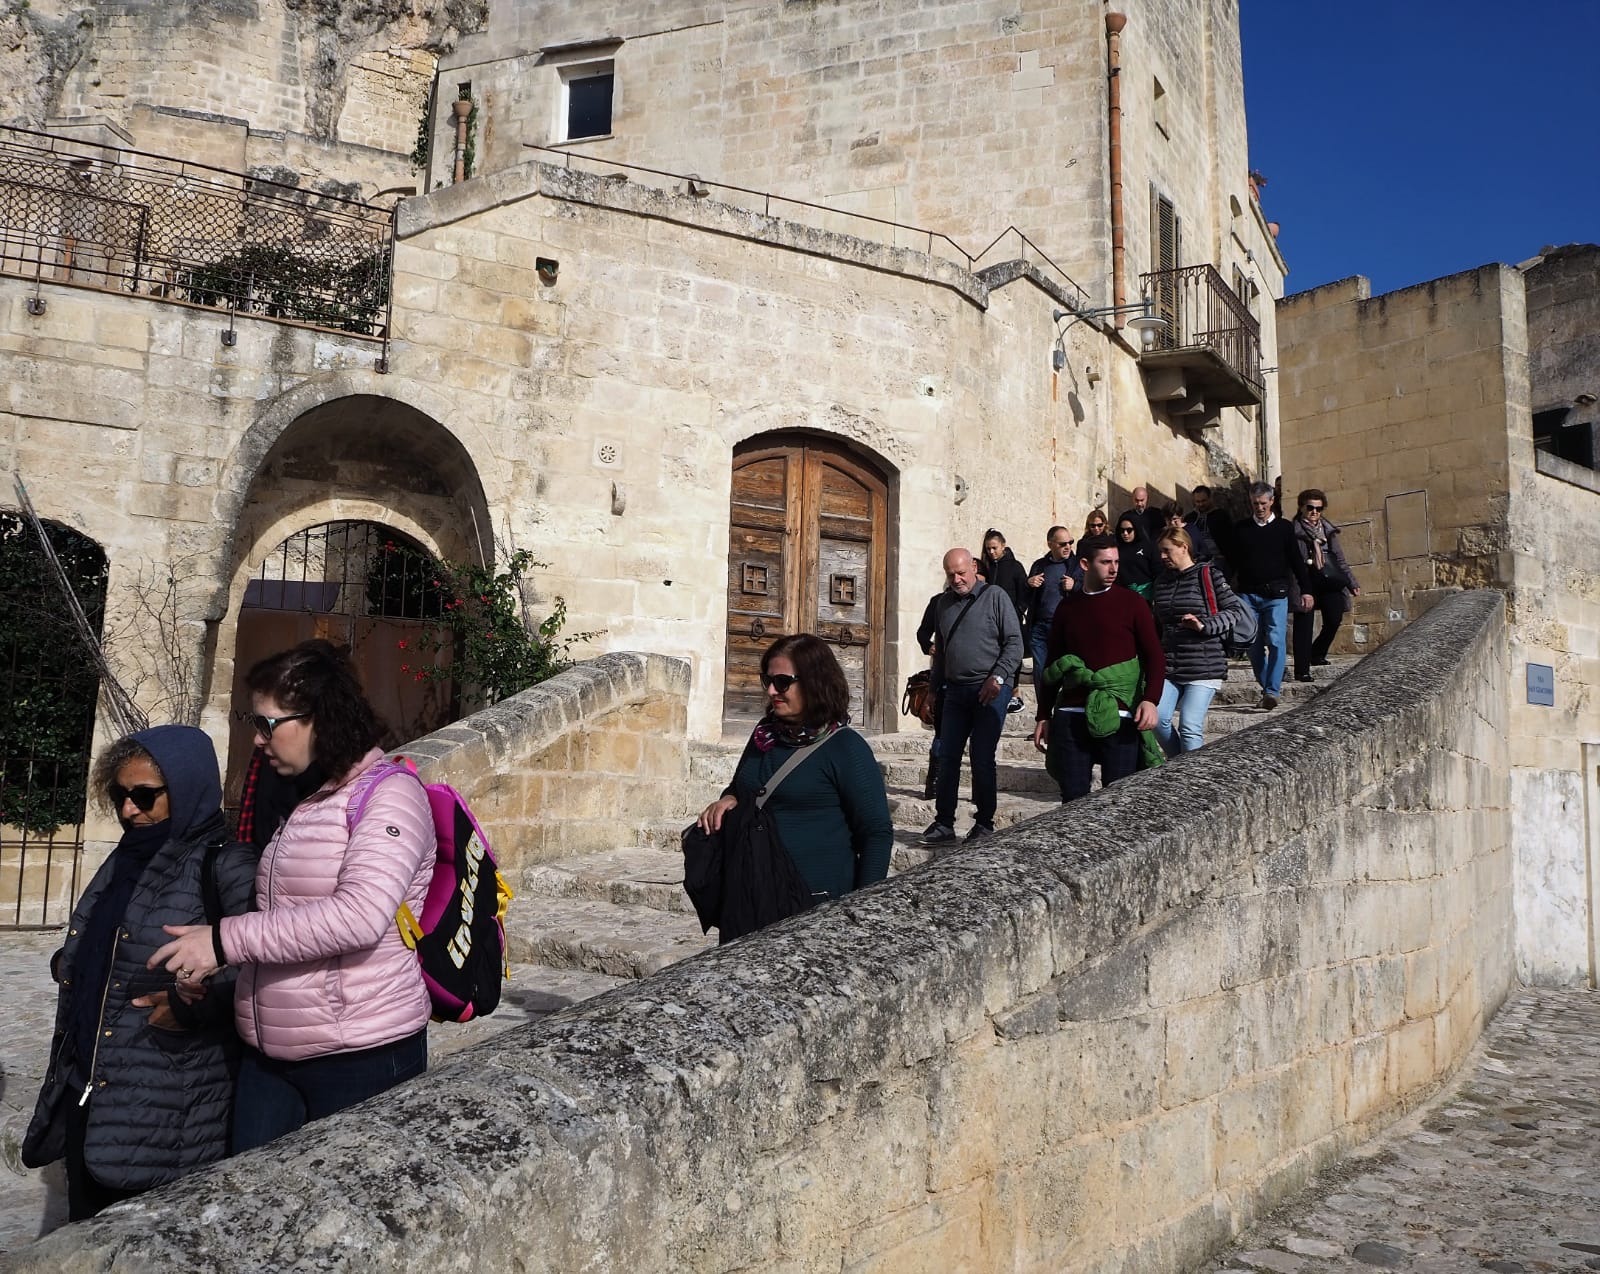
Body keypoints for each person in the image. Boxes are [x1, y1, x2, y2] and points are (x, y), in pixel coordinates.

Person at [148, 639, 435, 1153]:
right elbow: (284, 916)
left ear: (318, 717)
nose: (257, 740)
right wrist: (220, 971)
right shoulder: (305, 798)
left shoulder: (389, 796)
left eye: (267, 724)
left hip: (358, 1054)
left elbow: (359, 917)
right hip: (271, 1052)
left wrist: (222, 943)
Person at [23, 726, 256, 1220]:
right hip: (92, 1092)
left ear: (187, 788)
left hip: (168, 1113)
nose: (130, 811)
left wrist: (194, 1009)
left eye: (146, 796)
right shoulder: (125, 859)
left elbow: (259, 971)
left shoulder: (225, 866)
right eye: (121, 796)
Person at [697, 633, 892, 910]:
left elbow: (877, 833)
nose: (771, 691)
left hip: (811, 904)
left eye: (783, 682)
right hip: (750, 896)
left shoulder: (846, 748)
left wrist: (859, 908)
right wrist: (729, 799)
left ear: (815, 682)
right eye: (768, 681)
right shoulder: (764, 735)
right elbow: (741, 786)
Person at [1033, 534, 1166, 800]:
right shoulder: (1067, 608)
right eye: (1106, 562)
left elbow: (1154, 656)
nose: (1114, 568)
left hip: (1120, 714)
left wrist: (1150, 700)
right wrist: (1043, 715)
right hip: (1071, 713)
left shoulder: (1133, 604)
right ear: (1085, 564)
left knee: (1118, 800)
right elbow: (1053, 664)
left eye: (1116, 561)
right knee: (1072, 799)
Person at [921, 547, 1024, 844]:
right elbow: (941, 653)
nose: (956, 579)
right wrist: (931, 691)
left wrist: (999, 677)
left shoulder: (995, 597)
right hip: (954, 691)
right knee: (947, 755)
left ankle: (984, 822)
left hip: (990, 690)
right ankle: (944, 822)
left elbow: (1014, 643)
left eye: (961, 572)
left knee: (981, 756)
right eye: (950, 574)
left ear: (974, 566)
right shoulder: (942, 605)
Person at [1151, 527, 1245, 753]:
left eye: (1167, 551)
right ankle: (1178, 767)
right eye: (1160, 552)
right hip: (1171, 665)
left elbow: (1234, 610)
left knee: (1189, 726)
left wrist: (1203, 625)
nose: (1162, 556)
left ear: (1184, 547)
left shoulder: (1209, 575)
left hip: (1204, 664)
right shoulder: (1161, 582)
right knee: (1157, 719)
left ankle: (1188, 778)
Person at [1231, 482, 1315, 710]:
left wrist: (1306, 590)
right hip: (1248, 595)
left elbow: (1297, 562)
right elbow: (1233, 562)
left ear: (1272, 502)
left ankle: (1272, 691)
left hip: (1276, 595)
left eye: (1263, 503)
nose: (1259, 507)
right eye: (1255, 503)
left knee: (1277, 641)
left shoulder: (1284, 528)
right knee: (1253, 645)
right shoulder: (1241, 529)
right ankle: (1267, 686)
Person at [1291, 489, 1361, 682]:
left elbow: (1340, 559)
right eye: (1310, 508)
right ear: (1302, 507)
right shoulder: (1293, 531)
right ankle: (1302, 670)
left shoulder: (1328, 531)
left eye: (1319, 509)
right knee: (1304, 625)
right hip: (1305, 580)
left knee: (1334, 617)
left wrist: (1351, 582)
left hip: (1329, 578)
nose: (1314, 512)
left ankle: (1317, 652)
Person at [1025, 526, 1082, 696]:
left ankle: (1062, 708)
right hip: (1040, 626)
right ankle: (1043, 710)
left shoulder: (1078, 565)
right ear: (1050, 544)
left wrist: (1075, 586)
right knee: (1040, 669)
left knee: (1064, 668)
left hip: (1064, 627)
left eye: (1070, 542)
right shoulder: (1039, 565)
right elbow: (1026, 596)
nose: (1068, 547)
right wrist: (1029, 584)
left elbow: (1089, 592)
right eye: (1062, 543)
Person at [978, 528, 1030, 713]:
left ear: (1003, 546)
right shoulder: (988, 567)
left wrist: (1017, 611)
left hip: (1011, 619)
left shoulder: (1015, 566)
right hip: (991, 621)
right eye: (988, 549)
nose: (992, 552)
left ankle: (1015, 695)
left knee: (1012, 656)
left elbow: (1024, 593)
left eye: (994, 548)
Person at [1113, 515, 1159, 598]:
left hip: (1146, 595)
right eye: (1122, 530)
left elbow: (1158, 572)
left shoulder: (1149, 547)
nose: (1125, 533)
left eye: (1129, 530)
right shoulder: (1116, 549)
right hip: (1122, 596)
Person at [1189, 485, 1234, 570]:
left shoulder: (1221, 516)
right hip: (1196, 562)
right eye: (1197, 502)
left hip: (1218, 561)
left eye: (1203, 501)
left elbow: (1230, 540)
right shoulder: (1190, 518)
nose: (1201, 504)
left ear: (1210, 498)